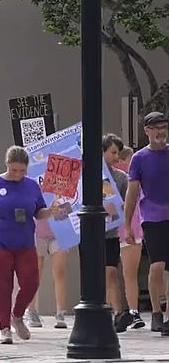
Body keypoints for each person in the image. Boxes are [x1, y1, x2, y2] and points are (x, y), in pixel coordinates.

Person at [0, 146, 54, 344]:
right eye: (14, 170)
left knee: (31, 282)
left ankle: (17, 315)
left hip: (25, 243)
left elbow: (39, 211)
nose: (18, 175)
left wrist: (52, 211)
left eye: (22, 171)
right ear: (7, 165)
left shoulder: (32, 186)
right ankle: (4, 328)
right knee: (3, 286)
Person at [124, 112, 169, 335]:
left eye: (164, 127)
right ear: (147, 131)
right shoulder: (140, 158)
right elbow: (132, 193)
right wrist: (127, 223)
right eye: (156, 127)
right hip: (151, 216)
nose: (160, 131)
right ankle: (156, 312)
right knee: (157, 264)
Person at [102, 134, 133, 332]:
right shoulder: (85, 176)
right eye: (113, 152)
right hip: (88, 235)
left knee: (111, 271)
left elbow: (126, 204)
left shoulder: (121, 178)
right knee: (95, 275)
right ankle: (101, 311)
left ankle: (119, 313)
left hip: (110, 233)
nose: (116, 157)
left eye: (118, 153)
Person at [25, 192, 69, 329]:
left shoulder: (64, 181)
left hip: (59, 230)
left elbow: (73, 203)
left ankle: (60, 312)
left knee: (60, 271)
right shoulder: (34, 180)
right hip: (37, 231)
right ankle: (32, 311)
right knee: (36, 271)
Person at [114, 146, 146, 329]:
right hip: (126, 230)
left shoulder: (131, 180)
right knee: (125, 275)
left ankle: (129, 312)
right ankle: (129, 312)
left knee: (124, 274)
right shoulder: (123, 179)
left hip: (127, 230)